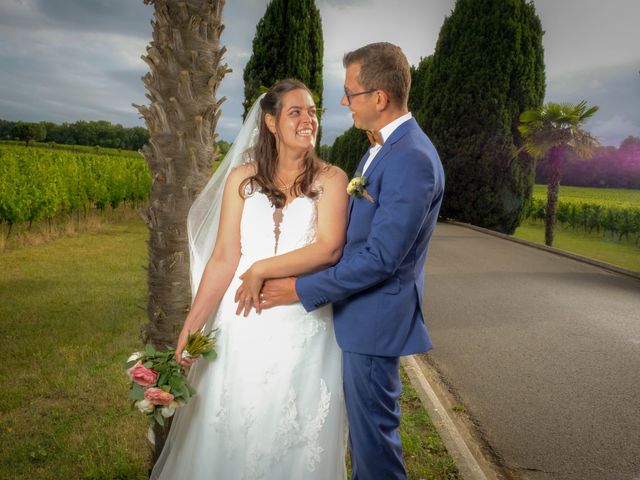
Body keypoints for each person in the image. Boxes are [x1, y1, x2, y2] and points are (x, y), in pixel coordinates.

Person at [260, 43, 445, 480]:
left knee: (374, 449)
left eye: (351, 93)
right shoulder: (383, 148)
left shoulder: (411, 158)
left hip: (373, 323)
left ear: (378, 97)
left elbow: (381, 258)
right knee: (365, 444)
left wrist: (300, 288)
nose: (345, 102)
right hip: (359, 317)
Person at [149, 79, 349, 480]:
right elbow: (224, 258)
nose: (308, 119)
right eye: (296, 112)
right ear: (271, 123)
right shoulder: (242, 179)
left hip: (302, 328)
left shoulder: (331, 179)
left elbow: (328, 248)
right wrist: (191, 328)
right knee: (228, 428)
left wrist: (260, 269)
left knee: (289, 437)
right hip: (241, 325)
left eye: (312, 112)